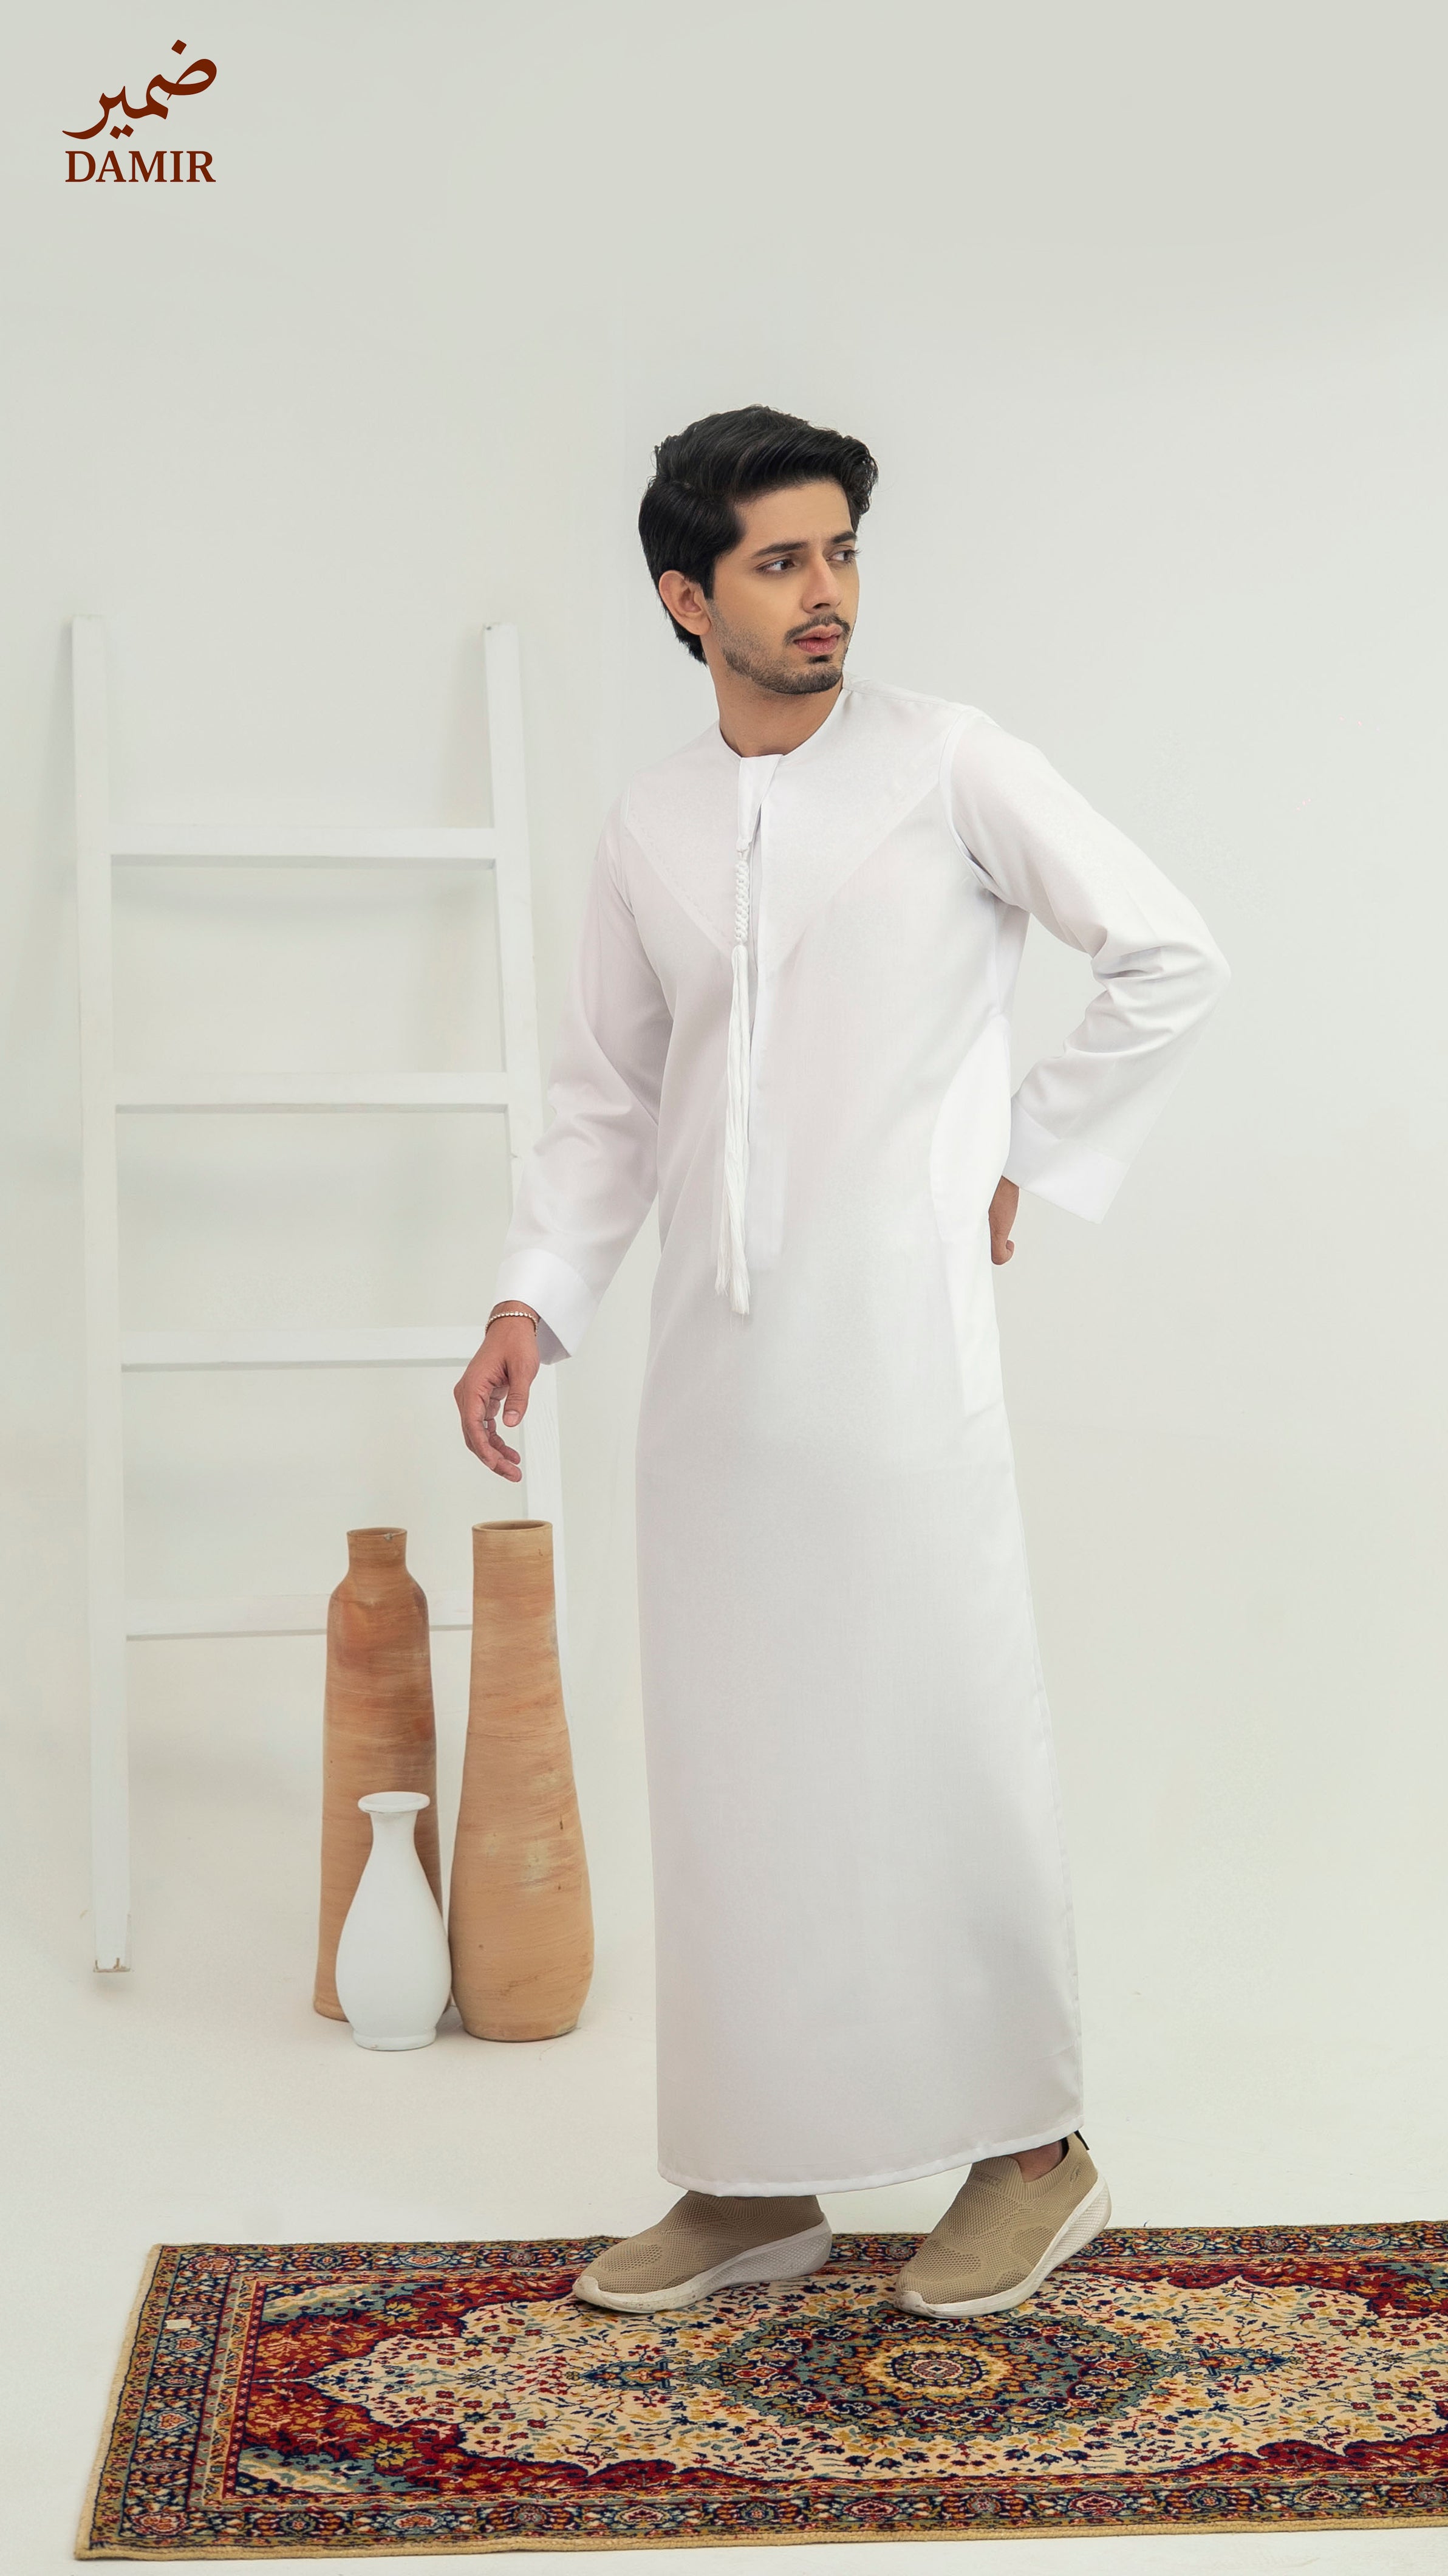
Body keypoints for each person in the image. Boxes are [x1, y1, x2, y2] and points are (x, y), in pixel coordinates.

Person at [455, 406, 1228, 2321]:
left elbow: (1168, 950)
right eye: (784, 563)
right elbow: (608, 1097)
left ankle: (1034, 2156)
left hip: (898, 1354)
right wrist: (534, 1297)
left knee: (931, 1731)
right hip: (713, 1374)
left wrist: (1026, 1155)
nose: (829, 597)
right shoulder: (644, 822)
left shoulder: (951, 763)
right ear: (683, 595)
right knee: (732, 1759)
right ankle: (750, 2174)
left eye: (844, 554)